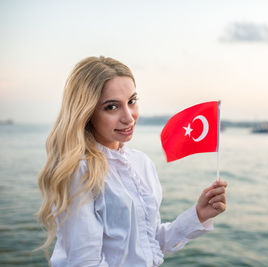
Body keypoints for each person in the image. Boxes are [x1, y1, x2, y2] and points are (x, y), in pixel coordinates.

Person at [37, 56, 227, 266]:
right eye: (112, 107)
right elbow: (85, 262)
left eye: (132, 101)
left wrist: (198, 215)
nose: (129, 117)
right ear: (87, 112)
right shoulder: (79, 171)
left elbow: (148, 244)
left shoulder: (141, 163)